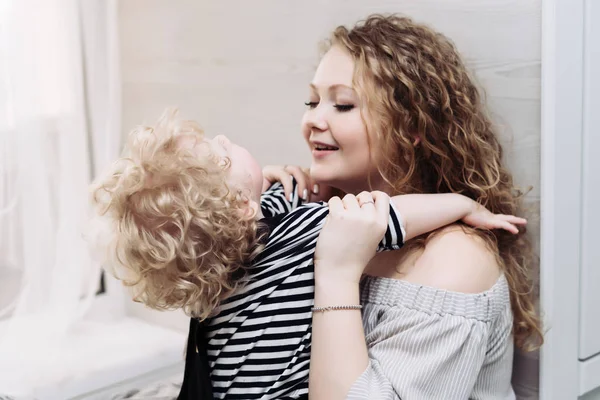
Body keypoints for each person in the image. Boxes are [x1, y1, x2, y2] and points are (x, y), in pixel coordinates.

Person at [89, 109, 525, 400]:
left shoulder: (221, 261)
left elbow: (263, 209)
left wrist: (265, 186)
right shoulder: (306, 235)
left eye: (342, 104)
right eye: (222, 157)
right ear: (242, 209)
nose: (224, 138)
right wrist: (463, 204)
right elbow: (389, 215)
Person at [281, 14, 543, 399]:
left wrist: (336, 275)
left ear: (413, 127)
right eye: (312, 101)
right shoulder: (322, 216)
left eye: (342, 105)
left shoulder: (455, 260)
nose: (312, 120)